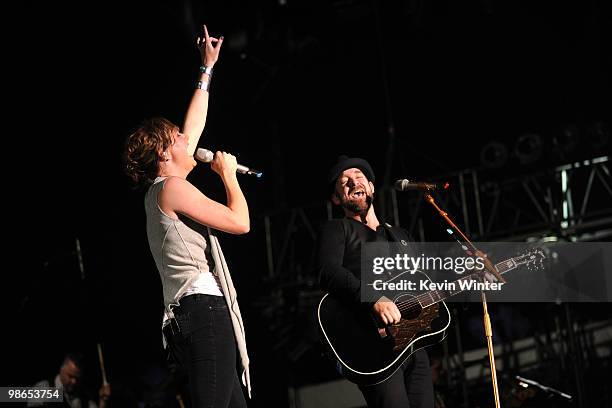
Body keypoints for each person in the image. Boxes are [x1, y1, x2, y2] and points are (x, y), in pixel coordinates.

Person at [123, 25, 251, 408]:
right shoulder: (172, 188)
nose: (187, 140)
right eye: (177, 137)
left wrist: (206, 68)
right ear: (163, 153)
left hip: (196, 314)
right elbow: (240, 222)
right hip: (203, 312)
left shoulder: (162, 189)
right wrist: (228, 175)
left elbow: (193, 128)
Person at [316, 155, 434, 408]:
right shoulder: (337, 229)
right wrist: (373, 300)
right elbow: (328, 271)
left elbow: (421, 284)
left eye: (358, 177)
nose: (352, 182)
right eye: (344, 181)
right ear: (337, 198)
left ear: (370, 187)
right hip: (371, 345)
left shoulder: (400, 235)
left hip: (412, 341)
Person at [28, 352, 111, 408]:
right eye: (70, 376)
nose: (74, 381)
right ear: (61, 370)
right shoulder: (44, 388)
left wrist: (103, 401)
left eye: (77, 378)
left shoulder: (84, 397)